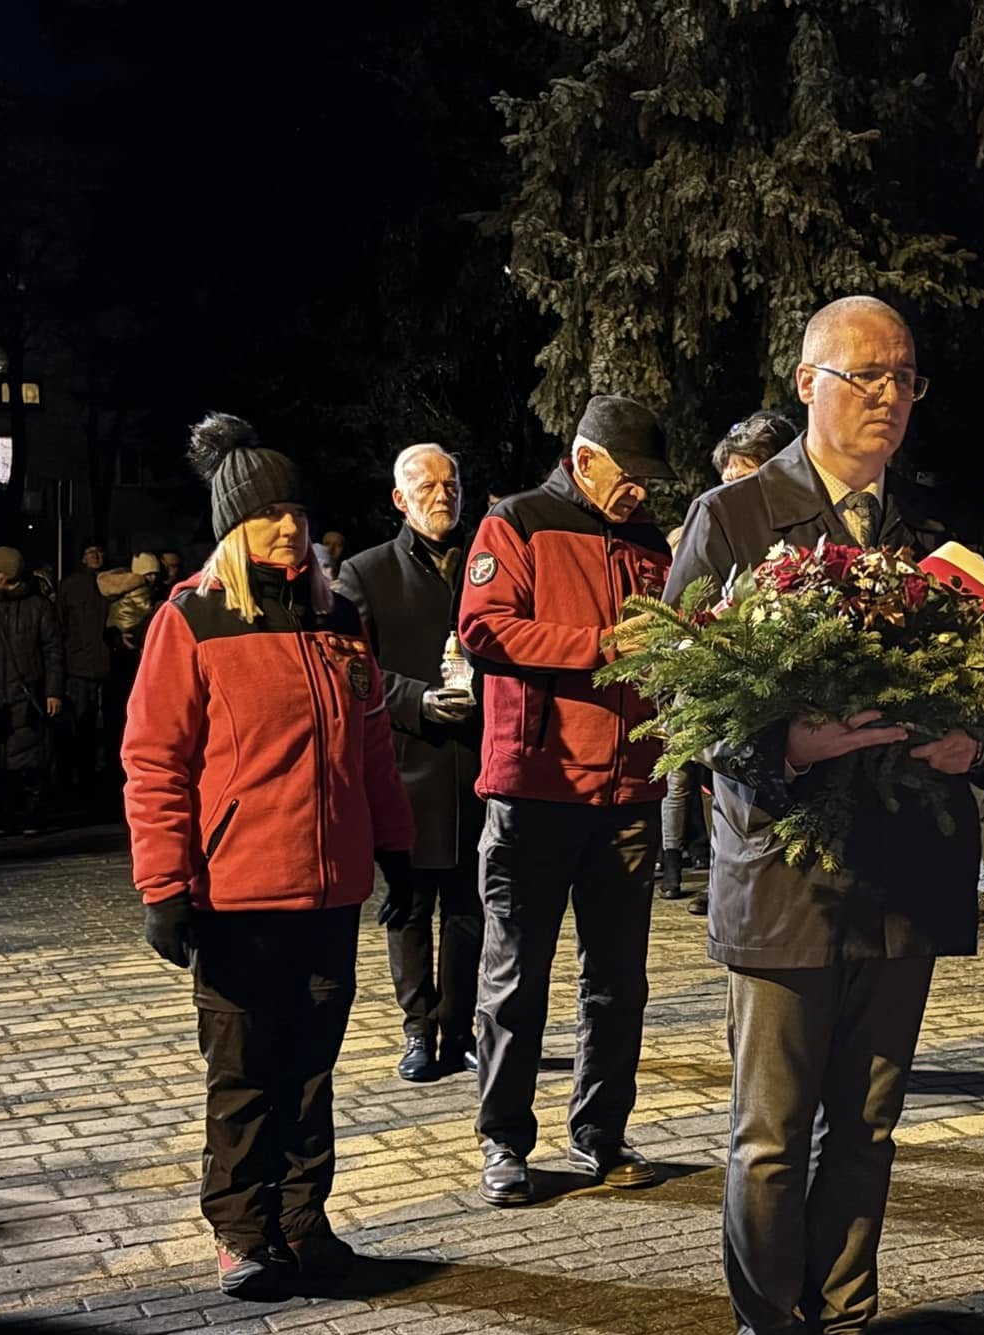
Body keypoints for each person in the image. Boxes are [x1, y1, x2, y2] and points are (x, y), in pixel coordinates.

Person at [667, 295, 978, 1335]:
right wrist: (782, 745)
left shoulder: (932, 528)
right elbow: (679, 690)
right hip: (788, 876)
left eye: (904, 377)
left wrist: (974, 744)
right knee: (769, 1130)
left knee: (870, 1122)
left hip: (903, 871)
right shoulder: (736, 516)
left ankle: (847, 1325)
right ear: (807, 382)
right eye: (864, 376)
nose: (889, 396)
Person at [122, 413, 414, 1301]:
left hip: (330, 894)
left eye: (296, 509)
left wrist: (397, 850)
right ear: (232, 529)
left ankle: (302, 1222)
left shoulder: (338, 618)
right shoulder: (192, 618)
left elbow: (369, 749)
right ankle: (242, 1233)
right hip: (237, 894)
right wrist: (164, 885)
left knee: (312, 1069)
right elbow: (155, 758)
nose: (289, 527)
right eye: (267, 516)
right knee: (246, 1071)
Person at [455, 394, 676, 1208]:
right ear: (585, 459)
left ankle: (603, 1135)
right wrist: (605, 648)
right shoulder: (516, 522)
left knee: (618, 981)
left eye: (651, 481)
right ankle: (505, 1142)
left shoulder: (650, 542)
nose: (642, 494)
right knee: (516, 978)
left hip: (627, 792)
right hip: (534, 788)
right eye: (631, 478)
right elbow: (485, 628)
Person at [335, 443, 486, 1084]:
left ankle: (461, 1029)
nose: (442, 495)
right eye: (427, 486)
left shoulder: (486, 560)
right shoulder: (364, 573)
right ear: (400, 498)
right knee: (412, 906)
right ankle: (419, 1029)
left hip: (480, 761)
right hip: (409, 761)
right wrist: (416, 700)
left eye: (450, 483)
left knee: (470, 908)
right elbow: (353, 670)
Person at [660, 410, 801, 910]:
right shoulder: (715, 523)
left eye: (747, 480)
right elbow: (677, 635)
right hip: (742, 749)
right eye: (727, 481)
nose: (732, 494)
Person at [0, 546, 64, 835]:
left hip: (27, 693)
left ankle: (28, 817)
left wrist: (53, 691)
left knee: (27, 757)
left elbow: (53, 651)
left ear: (9, 574)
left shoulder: (39, 607)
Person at [56, 540, 115, 799]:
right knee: (82, 725)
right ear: (82, 558)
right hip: (79, 667)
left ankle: (103, 777)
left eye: (100, 551)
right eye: (91, 552)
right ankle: (81, 779)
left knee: (109, 724)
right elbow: (61, 623)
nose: (96, 556)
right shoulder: (70, 586)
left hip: (108, 664)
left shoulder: (113, 581)